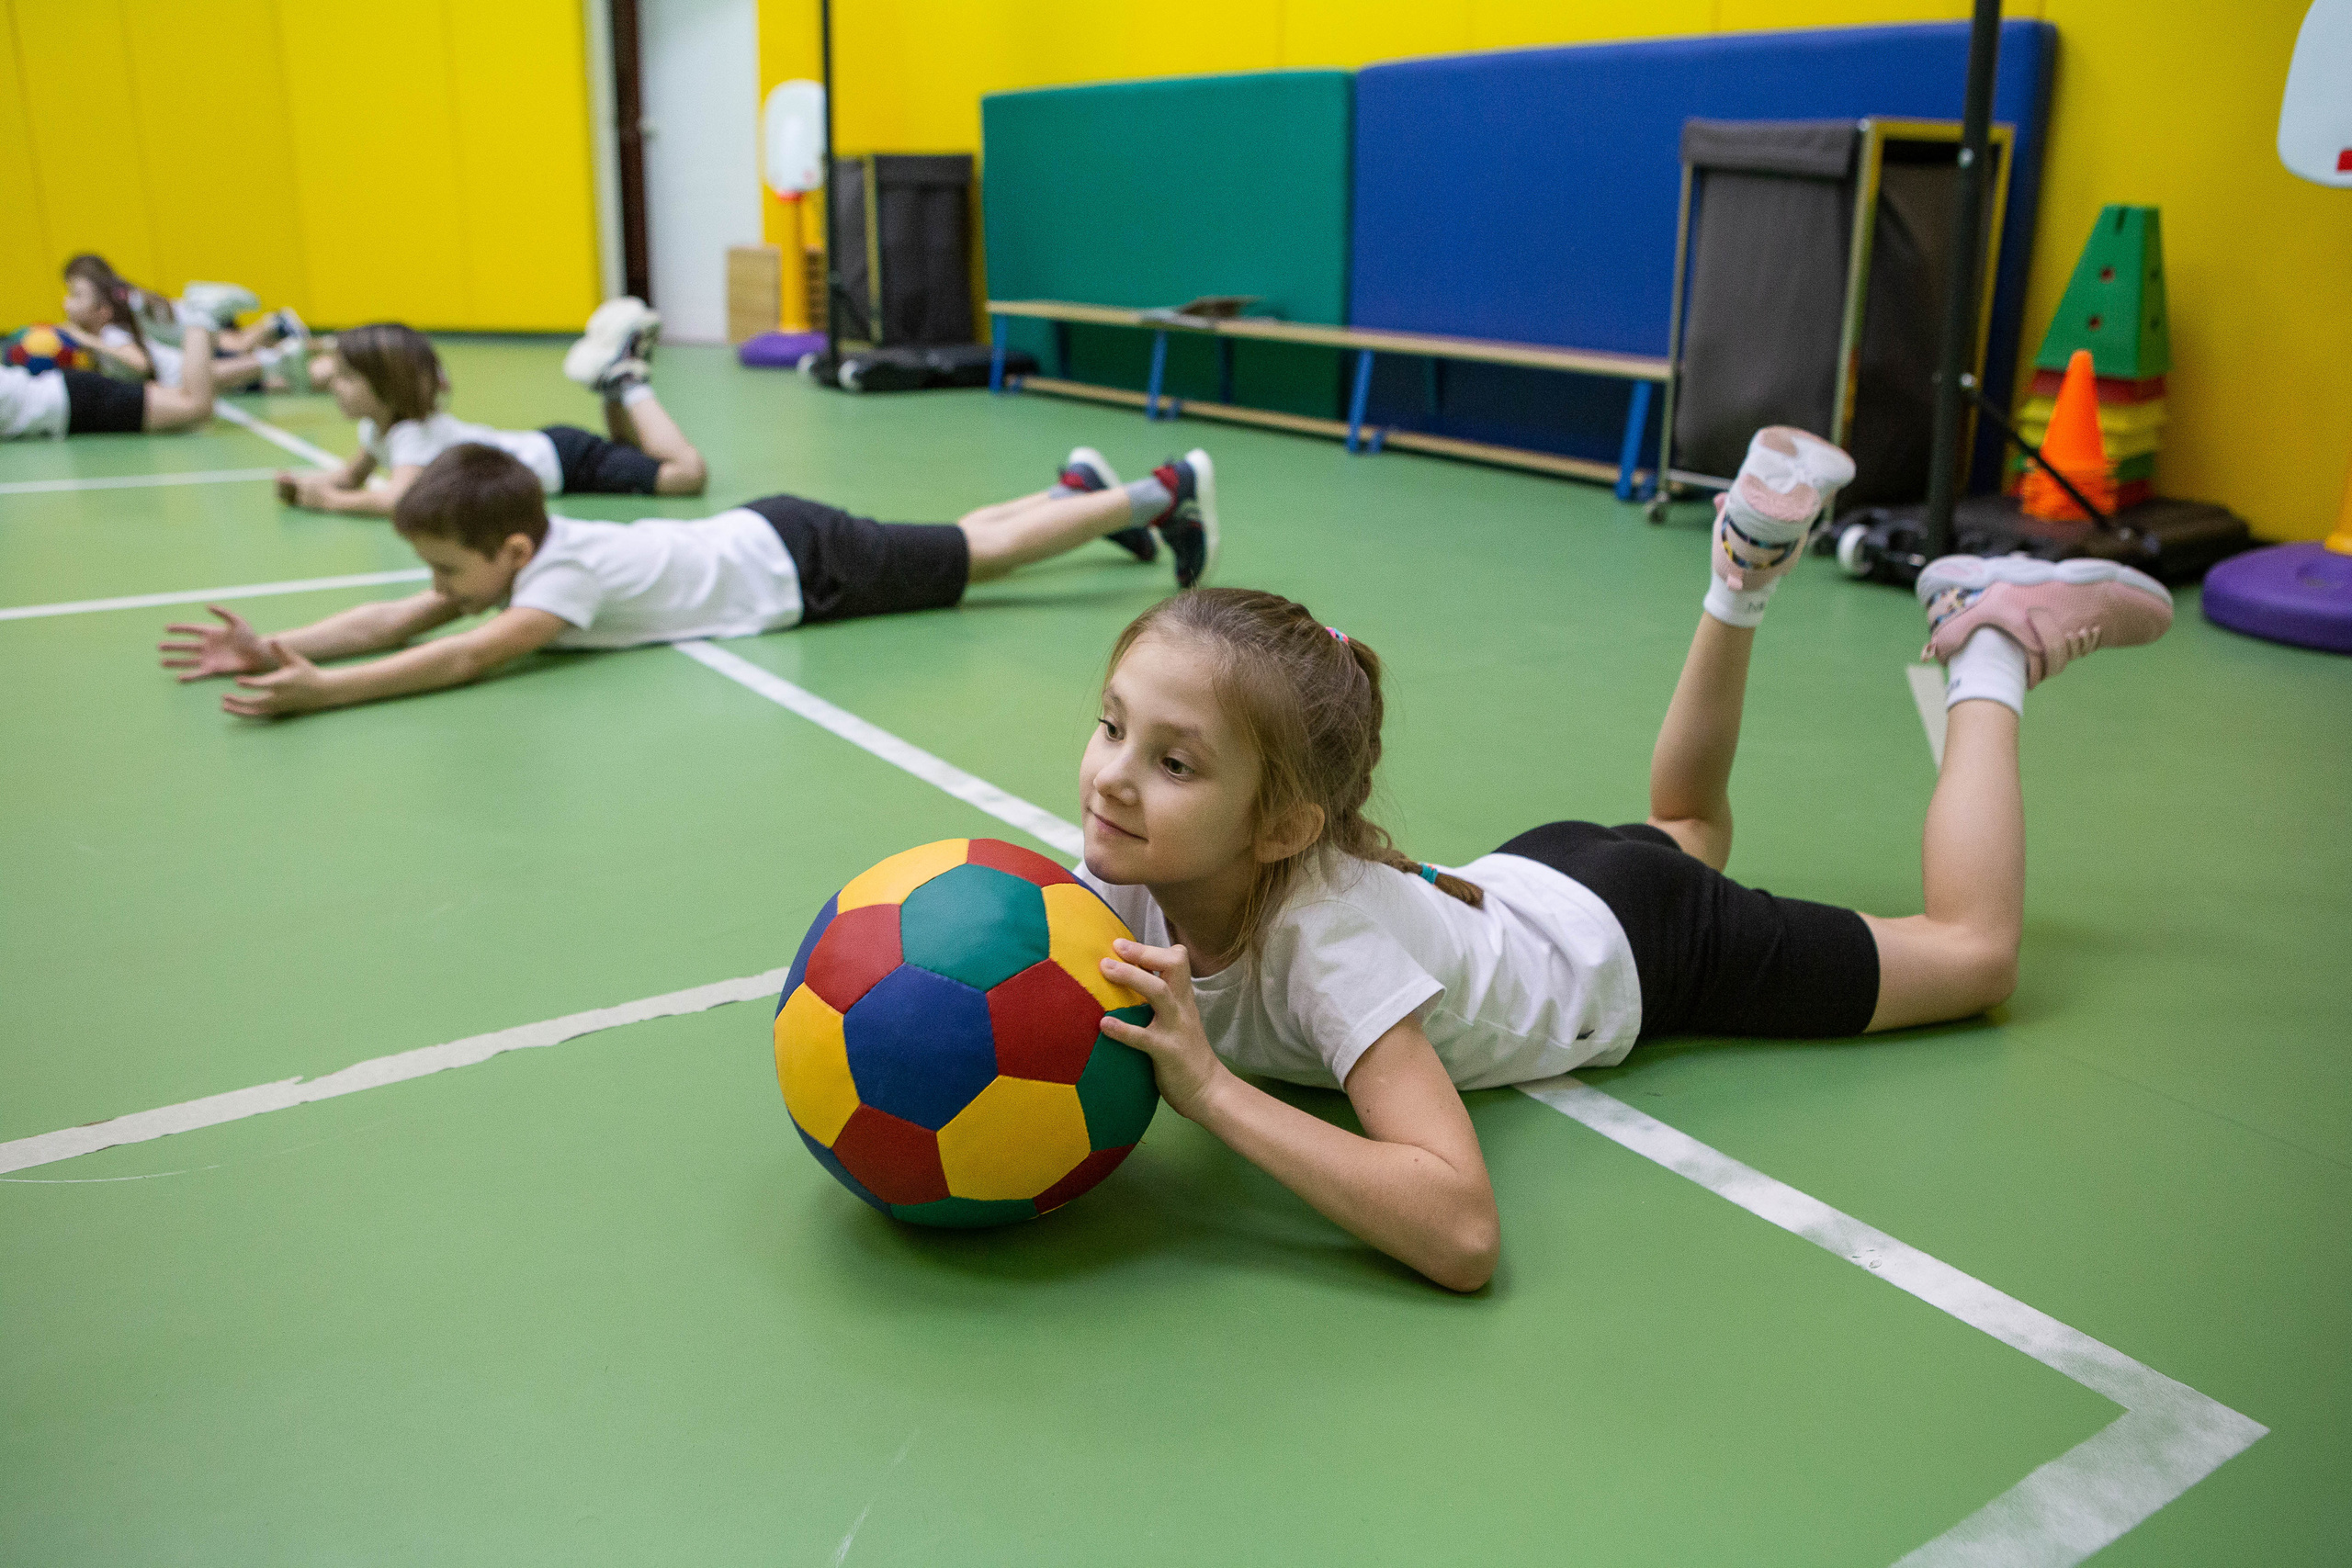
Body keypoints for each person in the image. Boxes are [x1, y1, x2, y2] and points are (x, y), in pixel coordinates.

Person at [1072, 427, 2175, 1292]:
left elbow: (1460, 1231)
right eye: (1112, 727)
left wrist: (1212, 1094)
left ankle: (1989, 647)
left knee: (1972, 954)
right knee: (1689, 827)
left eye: (1174, 763)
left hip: (1642, 945)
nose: (1113, 779)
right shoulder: (1124, 869)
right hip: (1528, 880)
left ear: (1279, 829)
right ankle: (1739, 572)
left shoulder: (1327, 949)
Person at [159, 440, 1221, 716]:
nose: (437, 582)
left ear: (511, 557)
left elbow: (464, 658)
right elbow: (403, 616)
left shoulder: (550, 587)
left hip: (806, 568)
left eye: (447, 565)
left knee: (974, 561)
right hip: (776, 538)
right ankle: (1076, 491)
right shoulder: (513, 560)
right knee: (952, 535)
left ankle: (1157, 492)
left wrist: (321, 694)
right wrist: (285, 647)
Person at [277, 306, 708, 517]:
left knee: (686, 476)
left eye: (347, 377)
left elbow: (399, 499)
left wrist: (331, 502)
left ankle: (627, 381)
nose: (334, 385)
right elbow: (352, 477)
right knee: (632, 455)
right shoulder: (378, 428)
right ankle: (612, 384)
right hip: (551, 451)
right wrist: (306, 486)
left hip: (567, 464)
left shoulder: (413, 434)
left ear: (388, 388)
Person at [55, 254, 303, 393]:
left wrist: (87, 340)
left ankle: (274, 327)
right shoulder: (122, 302)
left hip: (187, 327)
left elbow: (139, 361)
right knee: (233, 369)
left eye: (74, 293)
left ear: (102, 309)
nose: (66, 302)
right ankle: (279, 352)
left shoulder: (119, 316)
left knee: (233, 351)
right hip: (181, 338)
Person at [0, 322, 215, 439]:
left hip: (73, 402)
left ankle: (199, 324)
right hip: (68, 393)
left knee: (195, 408)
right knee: (186, 401)